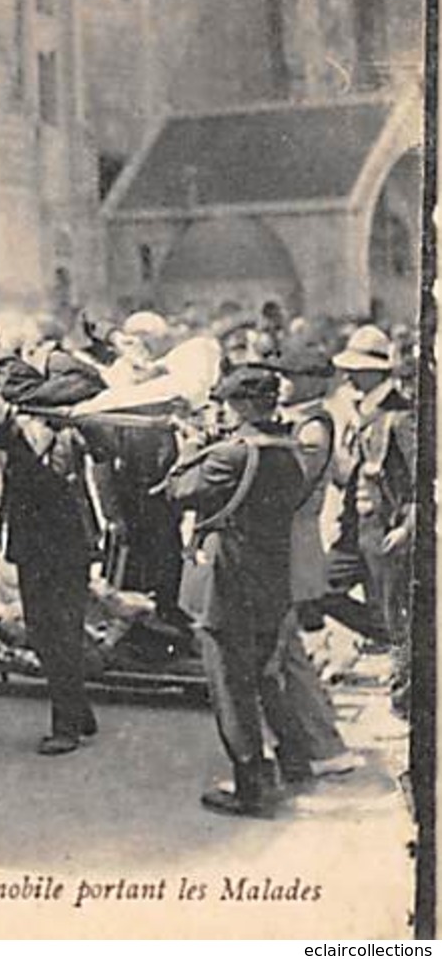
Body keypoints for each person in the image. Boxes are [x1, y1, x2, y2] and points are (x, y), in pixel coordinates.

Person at [165, 366, 311, 817]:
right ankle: (295, 760)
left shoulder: (231, 454)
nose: (222, 412)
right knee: (266, 676)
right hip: (270, 581)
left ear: (243, 406)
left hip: (228, 584)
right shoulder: (289, 450)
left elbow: (176, 490)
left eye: (226, 404)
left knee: (230, 687)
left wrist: (190, 448)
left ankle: (250, 787)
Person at [0, 346, 110, 755]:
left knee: (56, 633)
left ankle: (66, 727)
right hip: (47, 544)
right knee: (52, 632)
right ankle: (79, 712)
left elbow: (94, 452)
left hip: (58, 545)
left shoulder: (65, 429)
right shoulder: (35, 426)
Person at [266, 345, 361, 777]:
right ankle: (322, 741)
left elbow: (287, 488)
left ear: (310, 380)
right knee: (288, 650)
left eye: (289, 374)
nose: (281, 382)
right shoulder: (303, 423)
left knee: (285, 650)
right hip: (290, 542)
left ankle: (324, 746)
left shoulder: (311, 430)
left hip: (290, 543)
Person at [330, 325, 416, 721]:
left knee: (398, 615)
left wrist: (408, 527)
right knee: (315, 586)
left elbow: (423, 481)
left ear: (374, 373)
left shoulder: (399, 416)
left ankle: (405, 704)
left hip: (386, 529)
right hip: (356, 530)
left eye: (355, 369)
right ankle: (387, 637)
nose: (348, 376)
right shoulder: (362, 414)